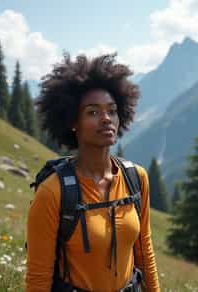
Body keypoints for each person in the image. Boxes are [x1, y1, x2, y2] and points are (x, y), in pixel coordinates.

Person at [26, 53, 160, 292]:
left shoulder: (136, 179)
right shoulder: (52, 192)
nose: (106, 118)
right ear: (72, 122)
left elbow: (145, 254)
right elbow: (38, 280)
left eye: (112, 110)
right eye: (93, 112)